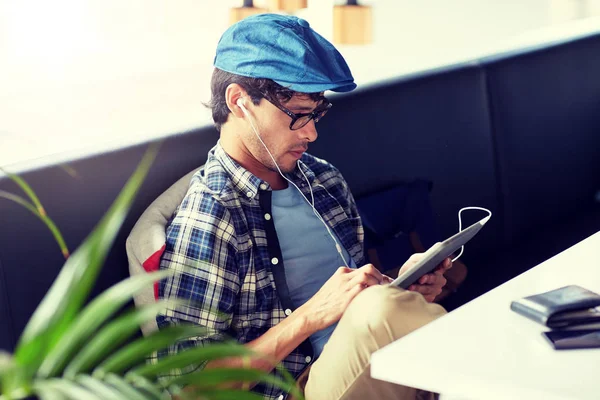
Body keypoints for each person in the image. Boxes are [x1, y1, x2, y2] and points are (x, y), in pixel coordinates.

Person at [157, 13, 452, 400]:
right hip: (293, 390)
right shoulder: (212, 215)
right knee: (383, 312)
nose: (311, 132)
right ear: (238, 101)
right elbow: (190, 386)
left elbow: (351, 299)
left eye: (316, 114)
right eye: (297, 116)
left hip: (366, 368)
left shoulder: (322, 179)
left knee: (385, 305)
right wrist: (310, 317)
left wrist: (400, 285)